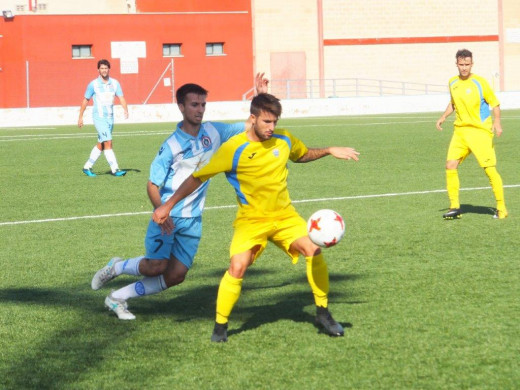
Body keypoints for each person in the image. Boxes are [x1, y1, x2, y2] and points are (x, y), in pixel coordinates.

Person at [153, 93, 360, 342]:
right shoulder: (233, 148)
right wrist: (168, 205)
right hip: (251, 221)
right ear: (253, 119)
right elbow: (198, 177)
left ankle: (323, 312)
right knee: (237, 267)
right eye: (266, 122)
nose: (272, 127)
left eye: (274, 121)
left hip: (285, 217)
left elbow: (301, 154)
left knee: (313, 250)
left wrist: (328, 150)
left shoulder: (284, 139)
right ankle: (220, 325)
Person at [91, 74, 269, 320]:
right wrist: (161, 211)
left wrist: (259, 97)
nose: (200, 110)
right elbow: (152, 184)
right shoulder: (171, 145)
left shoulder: (214, 132)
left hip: (193, 219)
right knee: (157, 266)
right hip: (169, 215)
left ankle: (117, 297)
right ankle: (117, 267)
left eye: (203, 104)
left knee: (176, 275)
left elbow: (250, 125)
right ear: (181, 107)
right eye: (194, 105)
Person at [436, 49, 507, 220]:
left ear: (472, 64)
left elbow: (495, 104)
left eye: (467, 65)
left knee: (489, 170)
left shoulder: (480, 82)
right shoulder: (453, 82)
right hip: (460, 132)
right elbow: (453, 103)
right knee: (450, 165)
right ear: (457, 64)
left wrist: (497, 123)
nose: (464, 68)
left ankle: (501, 207)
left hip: (480, 132)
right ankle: (454, 207)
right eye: (461, 65)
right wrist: (443, 117)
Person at [78, 59, 129, 177]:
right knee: (108, 142)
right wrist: (80, 117)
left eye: (106, 68)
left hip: (110, 118)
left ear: (109, 69)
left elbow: (121, 97)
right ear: (98, 70)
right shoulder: (93, 84)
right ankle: (115, 169)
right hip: (99, 118)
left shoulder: (115, 83)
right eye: (102, 68)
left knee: (102, 144)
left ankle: (87, 167)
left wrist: (125, 109)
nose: (104, 70)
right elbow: (85, 100)